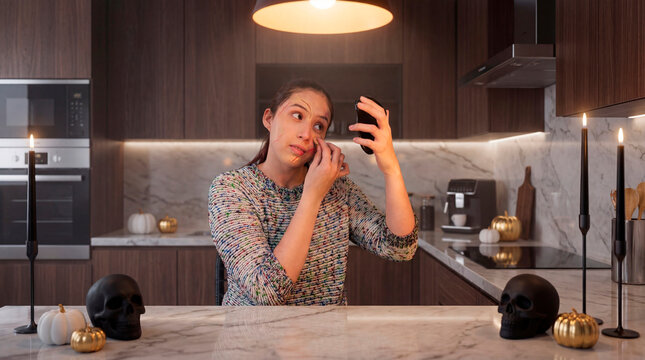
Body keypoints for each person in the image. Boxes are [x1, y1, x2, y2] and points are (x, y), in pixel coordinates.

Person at [208, 79, 418, 305]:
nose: (307, 134)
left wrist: (391, 168)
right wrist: (312, 195)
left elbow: (400, 248)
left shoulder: (337, 191)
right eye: (297, 116)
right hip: (252, 338)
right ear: (269, 119)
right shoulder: (231, 189)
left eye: (319, 126)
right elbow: (268, 293)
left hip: (326, 337)